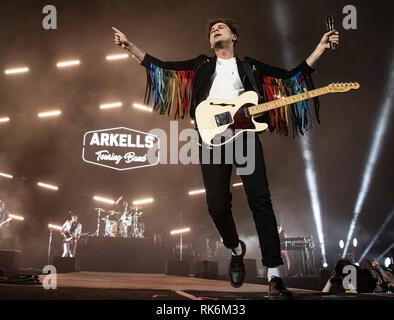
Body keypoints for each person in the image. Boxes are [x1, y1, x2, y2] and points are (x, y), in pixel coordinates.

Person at [112, 18, 339, 297]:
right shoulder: (202, 65)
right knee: (216, 204)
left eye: (221, 27)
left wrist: (320, 48)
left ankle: (274, 275)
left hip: (244, 135)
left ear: (235, 36)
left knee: (261, 201)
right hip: (211, 137)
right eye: (211, 30)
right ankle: (235, 248)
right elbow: (164, 67)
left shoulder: (250, 67)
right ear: (210, 42)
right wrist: (130, 47)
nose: (215, 30)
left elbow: (290, 77)